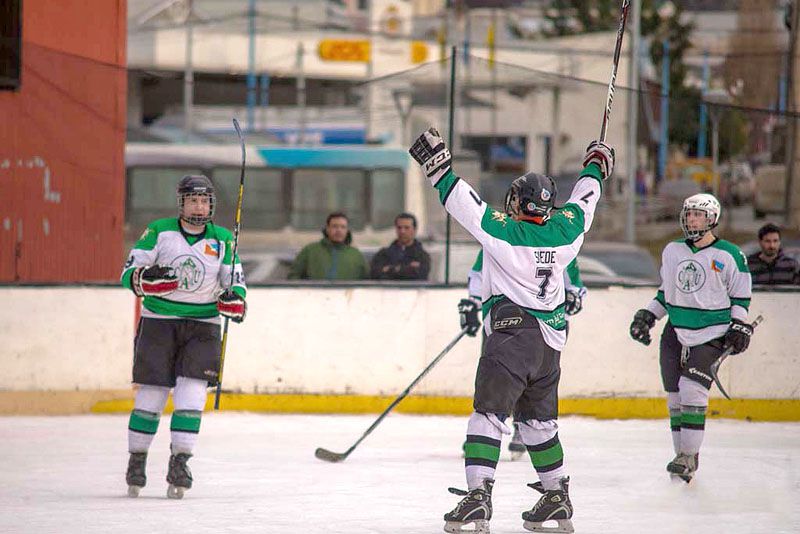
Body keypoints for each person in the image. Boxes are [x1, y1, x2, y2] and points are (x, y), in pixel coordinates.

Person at [410, 127, 614, 534]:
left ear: (519, 203)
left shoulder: (506, 231)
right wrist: (596, 165)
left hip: (512, 334)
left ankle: (478, 497)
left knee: (489, 413)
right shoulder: (567, 231)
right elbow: (585, 200)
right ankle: (556, 493)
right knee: (538, 423)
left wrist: (438, 167)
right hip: (550, 343)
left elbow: (462, 203)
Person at [120, 174, 247, 499]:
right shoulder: (160, 231)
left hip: (203, 325)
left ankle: (180, 461)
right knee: (152, 393)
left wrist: (235, 297)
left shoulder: (222, 239)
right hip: (159, 321)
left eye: (204, 200)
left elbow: (235, 279)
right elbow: (128, 272)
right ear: (181, 202)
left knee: (192, 394)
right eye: (193, 200)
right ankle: (137, 459)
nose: (199, 206)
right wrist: (143, 280)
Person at [629, 193, 754, 483]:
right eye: (688, 214)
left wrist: (739, 325)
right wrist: (648, 316)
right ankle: (683, 456)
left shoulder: (730, 255)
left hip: (712, 332)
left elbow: (740, 296)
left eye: (698, 214)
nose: (691, 219)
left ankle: (688, 455)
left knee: (691, 390)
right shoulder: (672, 251)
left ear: (712, 219)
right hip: (675, 329)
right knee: (674, 396)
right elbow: (665, 293)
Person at [464, 251, 587, 461]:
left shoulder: (556, 241)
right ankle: (486, 432)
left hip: (546, 326)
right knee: (495, 378)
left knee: (533, 380)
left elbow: (574, 285)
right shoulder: (500, 235)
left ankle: (522, 425)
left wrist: (574, 297)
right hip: (504, 320)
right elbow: (479, 274)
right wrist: (473, 303)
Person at [288, 212, 369, 280]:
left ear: (347, 230)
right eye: (335, 226)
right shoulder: (310, 251)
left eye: (343, 227)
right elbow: (293, 276)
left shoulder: (356, 255)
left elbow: (367, 282)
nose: (339, 230)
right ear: (327, 229)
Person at [370, 212, 431, 280]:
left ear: (414, 230)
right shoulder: (383, 254)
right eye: (399, 228)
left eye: (406, 228)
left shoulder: (422, 256)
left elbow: (419, 276)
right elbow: (375, 274)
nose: (402, 231)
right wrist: (407, 268)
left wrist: (389, 269)